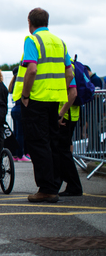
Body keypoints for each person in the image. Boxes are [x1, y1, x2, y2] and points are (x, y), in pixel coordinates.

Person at [12, 8, 73, 203]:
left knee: (38, 144)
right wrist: (57, 90)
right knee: (52, 142)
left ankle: (46, 188)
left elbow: (31, 69)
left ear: (29, 22)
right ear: (47, 22)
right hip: (54, 100)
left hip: (36, 98)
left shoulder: (32, 40)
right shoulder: (59, 42)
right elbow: (70, 74)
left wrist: (26, 95)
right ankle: (53, 185)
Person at [58, 62, 83, 196]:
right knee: (63, 150)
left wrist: (61, 114)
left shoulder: (68, 67)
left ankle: (74, 185)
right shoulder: (68, 66)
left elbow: (72, 93)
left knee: (63, 152)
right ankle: (67, 184)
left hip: (67, 116)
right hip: (69, 115)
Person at [8, 66, 29, 162]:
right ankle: (21, 155)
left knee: (16, 133)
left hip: (15, 109)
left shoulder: (13, 83)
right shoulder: (20, 82)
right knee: (21, 134)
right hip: (20, 109)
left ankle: (15, 155)